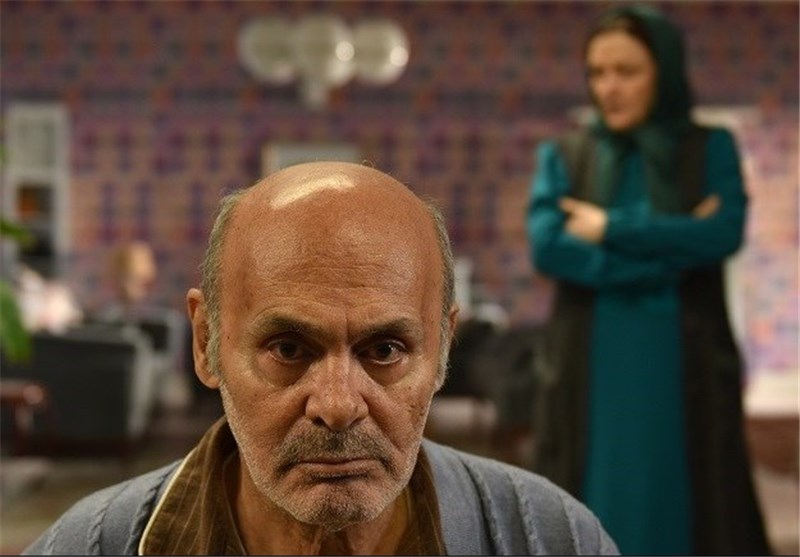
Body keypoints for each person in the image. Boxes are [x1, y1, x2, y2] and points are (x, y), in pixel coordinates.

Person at [24, 162, 618, 555]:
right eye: (288, 349)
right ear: (207, 342)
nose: (337, 406)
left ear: (442, 348)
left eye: (384, 351)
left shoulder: (553, 539)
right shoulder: (89, 546)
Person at [526, 5, 769, 555]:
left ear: (664, 71)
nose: (608, 88)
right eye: (597, 72)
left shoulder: (708, 148)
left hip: (683, 355)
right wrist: (668, 253)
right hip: (594, 359)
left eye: (627, 71)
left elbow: (722, 234)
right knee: (595, 495)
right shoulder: (566, 154)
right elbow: (550, 248)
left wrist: (610, 227)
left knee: (689, 497)